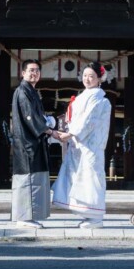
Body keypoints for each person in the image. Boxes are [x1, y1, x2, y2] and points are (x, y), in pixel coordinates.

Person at [51, 62, 112, 228]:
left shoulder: (100, 99)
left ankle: (96, 217)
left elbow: (89, 120)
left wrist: (70, 133)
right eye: (85, 75)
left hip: (91, 145)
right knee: (78, 176)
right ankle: (87, 213)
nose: (87, 79)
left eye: (91, 76)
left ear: (99, 79)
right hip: (78, 143)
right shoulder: (83, 96)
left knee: (91, 176)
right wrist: (69, 132)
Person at [11, 59, 56, 228]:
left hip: (33, 142)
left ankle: (28, 217)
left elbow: (37, 117)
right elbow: (30, 117)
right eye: (31, 70)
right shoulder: (23, 91)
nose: (34, 73)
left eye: (37, 70)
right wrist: (51, 131)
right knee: (27, 180)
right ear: (23, 73)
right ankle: (23, 218)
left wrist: (47, 123)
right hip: (27, 143)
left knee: (34, 179)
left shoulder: (31, 91)